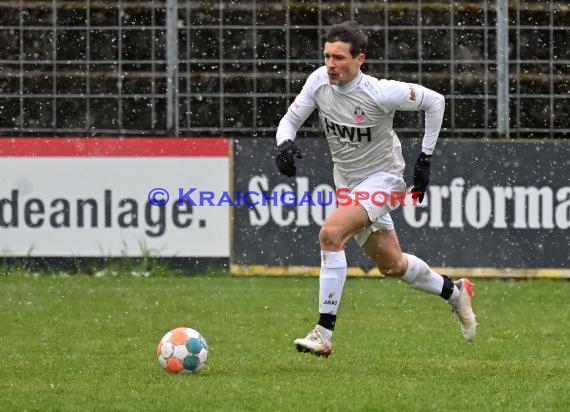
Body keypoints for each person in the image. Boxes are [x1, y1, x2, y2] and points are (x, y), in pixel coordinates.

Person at [274, 20, 477, 357]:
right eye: (327, 56)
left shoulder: (381, 92)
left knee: (330, 235)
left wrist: (424, 158)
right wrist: (284, 145)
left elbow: (436, 101)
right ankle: (454, 291)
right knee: (392, 265)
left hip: (384, 180)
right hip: (348, 184)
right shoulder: (318, 81)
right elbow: (290, 120)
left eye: (339, 58)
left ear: (360, 60)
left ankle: (323, 332)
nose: (330, 64)